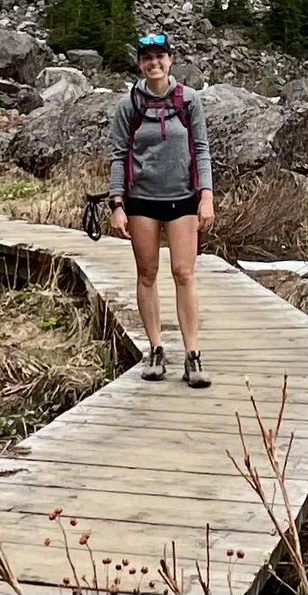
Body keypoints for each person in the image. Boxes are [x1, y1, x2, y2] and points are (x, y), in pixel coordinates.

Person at [107, 31, 214, 388]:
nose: (154, 63)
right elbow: (119, 155)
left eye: (160, 57)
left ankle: (193, 354)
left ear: (170, 60)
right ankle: (154, 349)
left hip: (183, 198)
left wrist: (206, 196)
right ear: (140, 64)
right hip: (141, 201)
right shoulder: (129, 106)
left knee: (184, 273)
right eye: (147, 58)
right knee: (147, 274)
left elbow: (201, 150)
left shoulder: (189, 101)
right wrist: (117, 203)